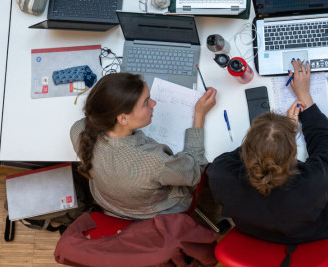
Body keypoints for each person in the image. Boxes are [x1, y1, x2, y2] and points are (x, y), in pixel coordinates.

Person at [207, 59, 328, 244]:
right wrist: (304, 97)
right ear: (293, 152)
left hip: (253, 231)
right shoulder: (315, 180)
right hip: (310, 232)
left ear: (246, 148)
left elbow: (242, 155)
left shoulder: (219, 173)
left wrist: (269, 141)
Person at [70, 72, 217, 220]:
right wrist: (200, 115)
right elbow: (193, 172)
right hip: (152, 214)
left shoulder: (79, 130)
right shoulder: (154, 160)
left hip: (109, 203)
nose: (154, 103)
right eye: (146, 102)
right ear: (122, 118)